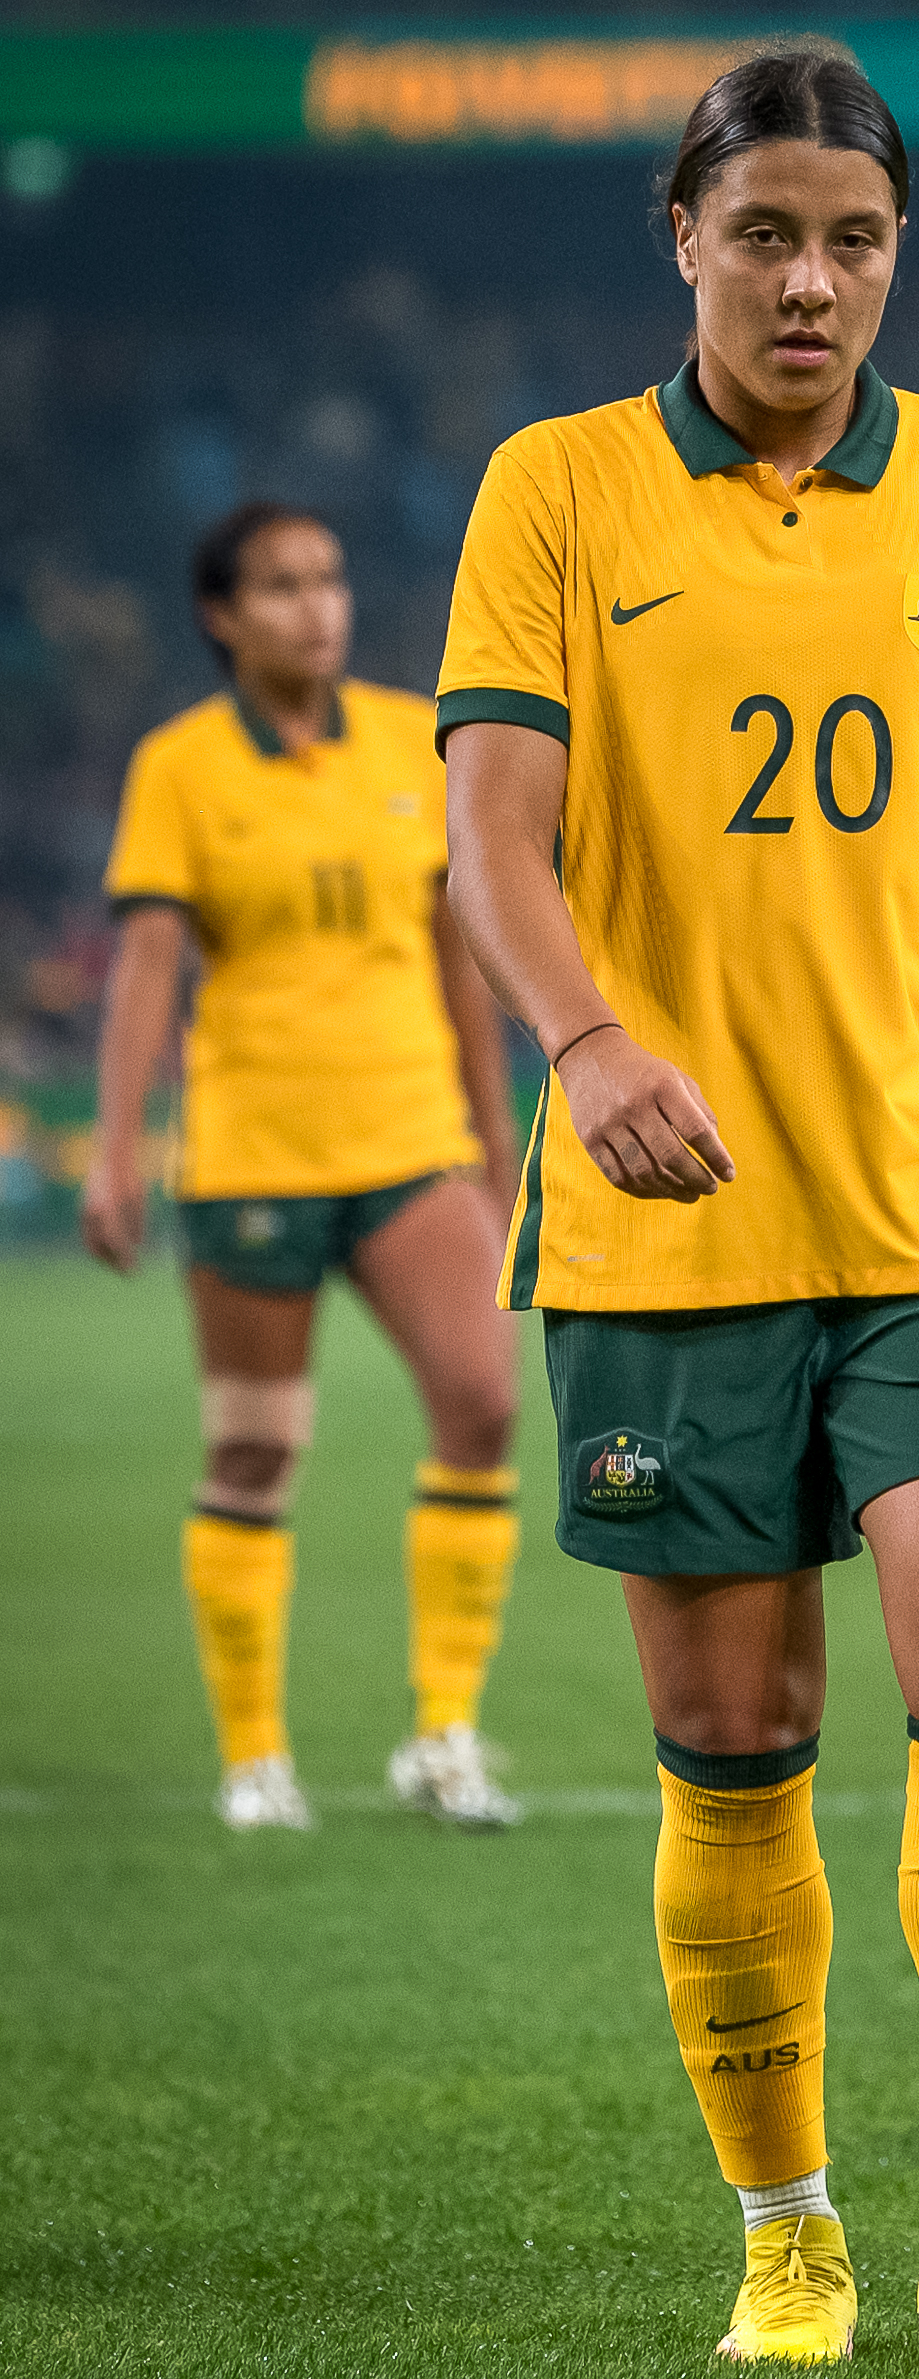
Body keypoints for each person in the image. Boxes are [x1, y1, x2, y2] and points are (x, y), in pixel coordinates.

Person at [441, 44, 919, 2371]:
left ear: (901, 258)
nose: (810, 281)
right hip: (666, 1216)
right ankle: (789, 2235)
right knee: (738, 1734)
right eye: (765, 233)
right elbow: (492, 831)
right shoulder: (557, 494)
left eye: (854, 240)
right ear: (681, 236)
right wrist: (588, 1043)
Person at [83, 502, 524, 1833]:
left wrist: (497, 1143)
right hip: (255, 1150)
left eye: (327, 579)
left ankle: (445, 1731)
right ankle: (257, 1758)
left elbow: (462, 948)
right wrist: (113, 1155)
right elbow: (148, 971)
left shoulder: (410, 738)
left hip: (410, 1142)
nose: (316, 607)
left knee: (486, 1404)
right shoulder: (181, 767)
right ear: (222, 616)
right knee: (256, 1449)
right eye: (280, 586)